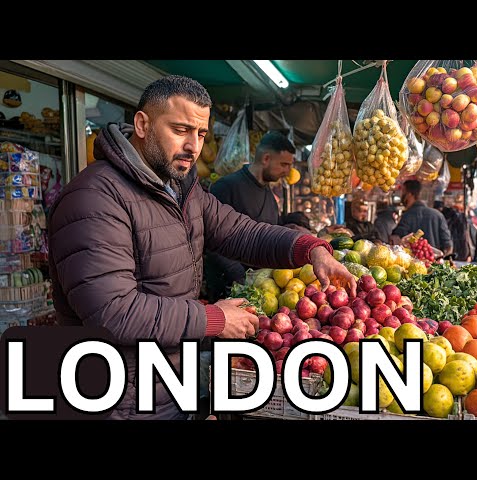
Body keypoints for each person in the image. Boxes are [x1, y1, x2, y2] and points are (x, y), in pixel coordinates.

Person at [47, 75, 356, 420]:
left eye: (201, 134)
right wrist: (214, 319)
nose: (193, 146)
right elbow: (114, 312)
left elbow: (242, 232)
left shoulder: (180, 189)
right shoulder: (94, 199)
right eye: (180, 130)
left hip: (169, 383)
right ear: (142, 124)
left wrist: (310, 249)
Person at [205, 131, 296, 301]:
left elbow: (271, 228)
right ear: (266, 158)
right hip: (228, 292)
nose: (287, 171)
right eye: (284, 164)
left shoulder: (269, 194)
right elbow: (211, 239)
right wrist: (240, 277)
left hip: (262, 291)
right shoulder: (226, 186)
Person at [389, 180, 453, 256]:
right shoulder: (438, 215)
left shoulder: (407, 216)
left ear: (409, 194)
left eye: (403, 191)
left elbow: (396, 239)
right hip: (434, 264)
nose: (401, 195)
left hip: (411, 265)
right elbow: (448, 246)